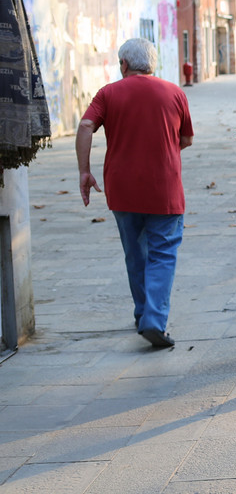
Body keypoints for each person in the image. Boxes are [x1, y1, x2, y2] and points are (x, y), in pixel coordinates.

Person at [77, 38, 193, 348]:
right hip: (164, 188)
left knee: (135, 253)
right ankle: (154, 319)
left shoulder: (108, 93)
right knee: (163, 253)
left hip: (122, 188)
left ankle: (143, 313)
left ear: (124, 65)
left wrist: (84, 171)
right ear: (152, 64)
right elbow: (186, 139)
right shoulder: (175, 92)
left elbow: (86, 125)